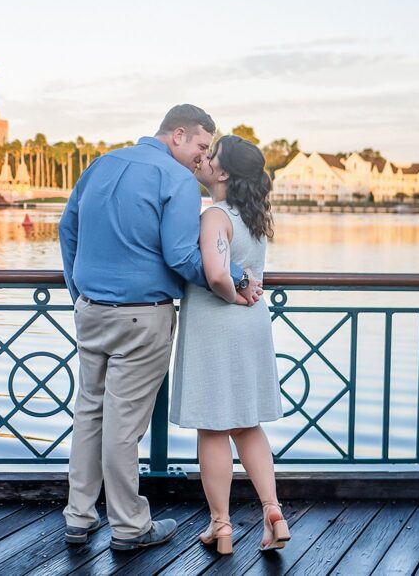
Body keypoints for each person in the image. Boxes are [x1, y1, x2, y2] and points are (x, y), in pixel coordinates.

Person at [58, 104, 258, 551]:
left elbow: (66, 228)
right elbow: (181, 256)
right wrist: (238, 277)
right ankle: (129, 526)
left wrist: (79, 292)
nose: (202, 159)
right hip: (142, 316)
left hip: (90, 311)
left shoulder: (101, 164)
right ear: (179, 135)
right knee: (123, 427)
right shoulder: (177, 181)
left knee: (90, 413)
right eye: (201, 147)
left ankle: (78, 516)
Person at [170, 134, 288, 554]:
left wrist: (231, 295)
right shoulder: (254, 216)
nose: (203, 159)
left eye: (211, 155)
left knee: (214, 427)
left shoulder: (215, 216)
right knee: (247, 424)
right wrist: (244, 298)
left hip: (217, 325)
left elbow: (218, 274)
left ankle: (221, 525)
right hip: (252, 326)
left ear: (221, 173)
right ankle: (272, 511)